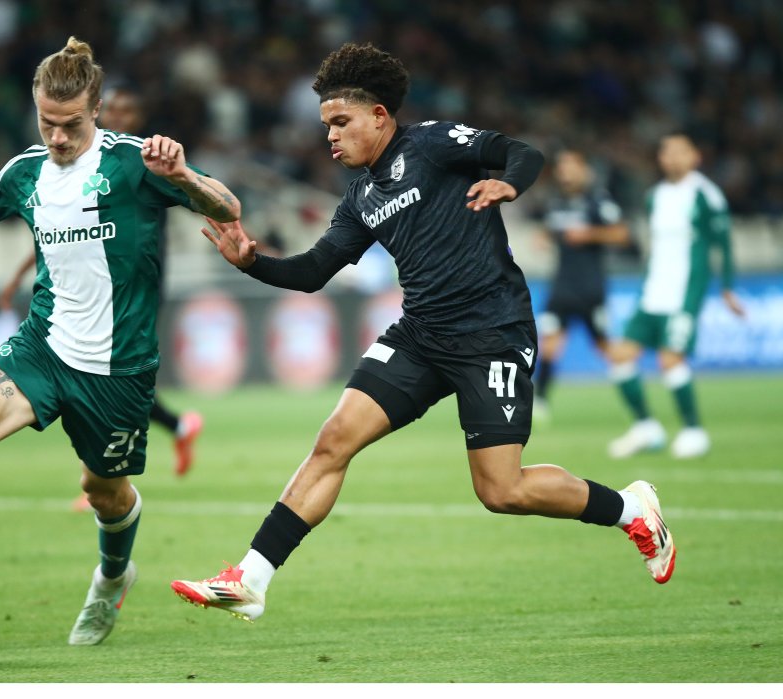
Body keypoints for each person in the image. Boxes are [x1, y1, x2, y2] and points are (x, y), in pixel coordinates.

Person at [170, 43, 676, 623]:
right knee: (333, 441)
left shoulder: (432, 143)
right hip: (421, 335)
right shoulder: (361, 198)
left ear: (379, 115)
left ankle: (631, 509)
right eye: (326, 125)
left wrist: (509, 185)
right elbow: (312, 272)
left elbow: (521, 152)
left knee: (501, 491)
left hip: (492, 333)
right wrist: (251, 263)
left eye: (341, 122)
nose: (330, 136)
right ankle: (251, 579)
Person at [0, 37, 241, 646]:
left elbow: (228, 206)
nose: (58, 137)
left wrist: (184, 175)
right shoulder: (25, 171)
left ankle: (112, 578)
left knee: (104, 492)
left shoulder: (135, 163)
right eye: (47, 123)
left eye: (70, 125)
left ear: (96, 110)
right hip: (42, 346)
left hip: (119, 369)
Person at [0, 84, 204, 495]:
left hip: (133, 290)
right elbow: (59, 232)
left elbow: (198, 198)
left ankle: (105, 475)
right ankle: (167, 434)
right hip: (92, 286)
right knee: (93, 372)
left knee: (107, 373)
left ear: (139, 118)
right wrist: (20, 273)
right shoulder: (90, 162)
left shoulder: (144, 161)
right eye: (116, 110)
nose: (120, 117)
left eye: (129, 111)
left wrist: (232, 228)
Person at [606, 133, 744, 459]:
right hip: (652, 290)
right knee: (621, 356)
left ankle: (694, 431)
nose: (672, 157)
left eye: (680, 151)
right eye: (666, 152)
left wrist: (727, 288)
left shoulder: (705, 194)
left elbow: (723, 243)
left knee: (670, 359)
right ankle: (646, 428)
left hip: (684, 292)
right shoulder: (655, 196)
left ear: (695, 157)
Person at [533, 150, 630, 419]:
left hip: (590, 288)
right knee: (550, 342)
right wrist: (543, 237)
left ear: (584, 170)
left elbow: (622, 234)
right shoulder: (556, 203)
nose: (565, 172)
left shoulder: (598, 200)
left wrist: (590, 234)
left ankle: (634, 396)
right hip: (562, 286)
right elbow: (550, 230)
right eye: (561, 167)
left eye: (570, 166)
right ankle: (540, 401)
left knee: (605, 346)